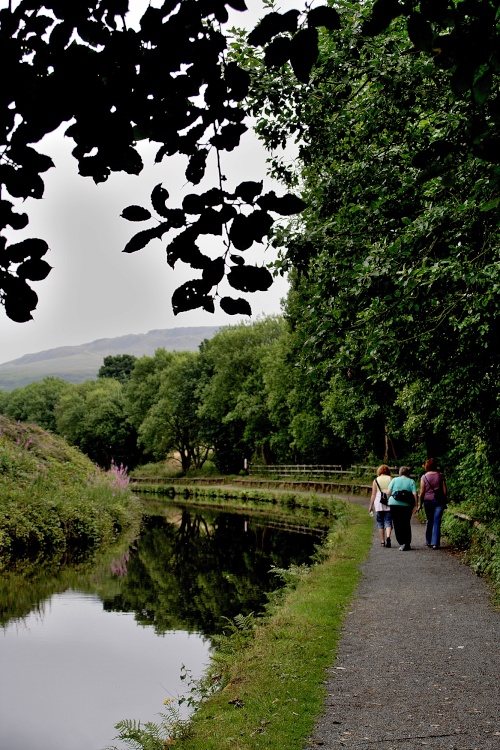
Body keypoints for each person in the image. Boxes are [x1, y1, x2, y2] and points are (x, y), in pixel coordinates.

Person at [387, 466, 418, 551]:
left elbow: (388, 492)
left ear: (400, 473)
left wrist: (387, 501)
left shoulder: (394, 480)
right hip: (407, 505)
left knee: (397, 523)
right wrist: (416, 505)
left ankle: (401, 542)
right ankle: (407, 543)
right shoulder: (411, 481)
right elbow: (415, 494)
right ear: (408, 473)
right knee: (406, 523)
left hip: (394, 504)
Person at [419, 458, 447, 549]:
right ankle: (435, 543)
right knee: (437, 521)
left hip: (428, 501)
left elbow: (422, 492)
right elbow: (444, 490)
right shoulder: (441, 476)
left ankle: (428, 540)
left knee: (429, 519)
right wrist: (445, 499)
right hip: (439, 500)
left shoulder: (424, 477)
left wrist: (420, 503)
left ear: (427, 466)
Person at [368, 464, 393, 547]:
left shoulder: (375, 480)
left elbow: (373, 495)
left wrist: (371, 506)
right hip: (388, 501)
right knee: (388, 521)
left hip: (379, 502)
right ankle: (388, 536)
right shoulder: (390, 479)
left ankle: (382, 541)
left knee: (380, 522)